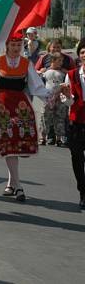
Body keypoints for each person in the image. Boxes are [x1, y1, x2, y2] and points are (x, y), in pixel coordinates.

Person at [0, 32, 59, 203]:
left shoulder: (26, 63)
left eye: (19, 45)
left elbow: (36, 86)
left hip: (20, 108)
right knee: (8, 146)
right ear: (7, 46)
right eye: (13, 45)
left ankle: (11, 183)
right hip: (1, 108)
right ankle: (19, 186)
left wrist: (54, 93)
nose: (16, 48)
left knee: (13, 146)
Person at [62, 40, 85, 208]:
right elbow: (67, 102)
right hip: (76, 121)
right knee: (76, 158)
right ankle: (82, 191)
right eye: (83, 51)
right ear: (79, 55)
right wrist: (68, 96)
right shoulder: (72, 74)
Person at [41, 53, 68, 146]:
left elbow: (66, 85)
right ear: (52, 60)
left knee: (59, 118)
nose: (61, 63)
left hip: (60, 99)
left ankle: (59, 139)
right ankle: (43, 138)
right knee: (45, 118)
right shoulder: (45, 73)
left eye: (62, 61)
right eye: (59, 60)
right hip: (48, 99)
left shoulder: (63, 73)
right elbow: (41, 85)